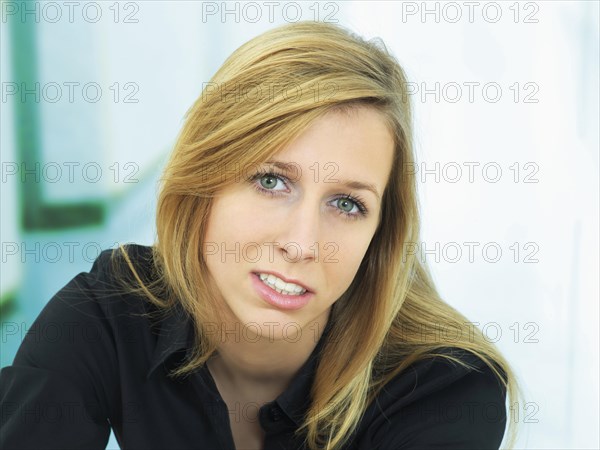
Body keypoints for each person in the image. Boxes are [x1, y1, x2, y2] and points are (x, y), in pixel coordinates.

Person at [0, 21, 521, 450]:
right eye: (271, 181)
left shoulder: (443, 386)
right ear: (203, 180)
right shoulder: (112, 309)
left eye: (347, 204)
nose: (301, 243)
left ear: (380, 234)